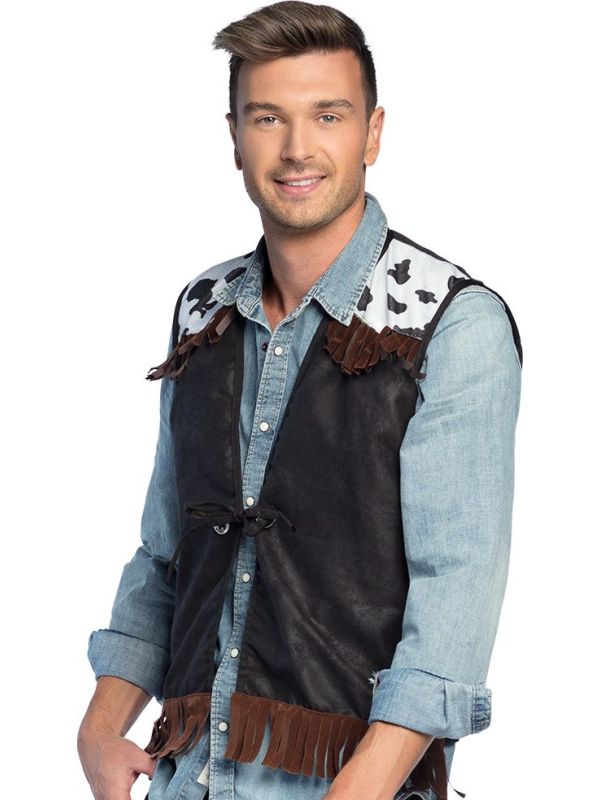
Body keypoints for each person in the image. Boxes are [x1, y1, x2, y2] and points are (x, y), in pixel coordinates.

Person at [77, 3, 523, 800]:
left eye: (328, 115)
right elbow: (167, 550)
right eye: (267, 117)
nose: (296, 149)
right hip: (187, 774)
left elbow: (455, 593)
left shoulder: (451, 324)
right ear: (234, 137)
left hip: (348, 783)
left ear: (373, 133)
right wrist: (100, 727)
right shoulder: (203, 309)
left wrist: (360, 788)